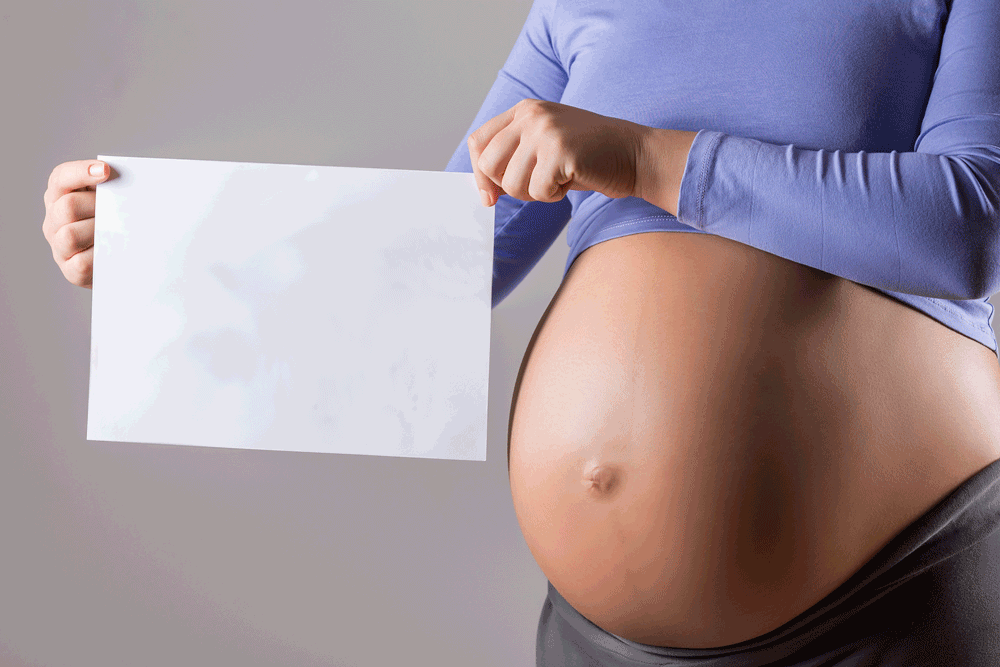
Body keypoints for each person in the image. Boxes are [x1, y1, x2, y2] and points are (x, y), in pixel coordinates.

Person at [43, 1, 1000, 665]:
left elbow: (964, 225)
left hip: (898, 592)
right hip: (600, 636)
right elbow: (425, 270)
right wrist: (159, 257)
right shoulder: (581, 3)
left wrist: (646, 157)